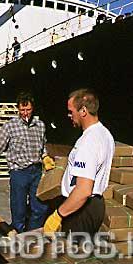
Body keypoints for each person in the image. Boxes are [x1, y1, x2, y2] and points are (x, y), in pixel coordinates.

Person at [44, 88, 114, 238]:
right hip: (94, 206)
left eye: (71, 111)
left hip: (80, 210)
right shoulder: (105, 134)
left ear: (83, 111)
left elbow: (83, 190)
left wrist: (59, 214)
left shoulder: (88, 142)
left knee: (72, 257)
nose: (69, 115)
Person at [0, 92, 55, 233]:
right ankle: (17, 235)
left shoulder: (40, 126)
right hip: (19, 173)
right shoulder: (10, 126)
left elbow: (42, 147)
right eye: (22, 110)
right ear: (18, 109)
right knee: (19, 209)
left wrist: (46, 158)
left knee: (39, 207)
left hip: (36, 171)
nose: (25, 113)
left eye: (28, 110)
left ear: (33, 108)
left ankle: (33, 236)